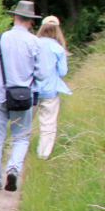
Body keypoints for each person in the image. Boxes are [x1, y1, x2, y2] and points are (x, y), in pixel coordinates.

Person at [0, 0, 44, 192]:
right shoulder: (36, 42)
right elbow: (41, 74)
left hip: (0, 96)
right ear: (31, 22)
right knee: (21, 137)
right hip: (23, 97)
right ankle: (14, 168)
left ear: (13, 17)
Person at [35, 15, 71, 159]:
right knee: (48, 124)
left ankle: (17, 152)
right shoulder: (59, 48)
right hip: (50, 92)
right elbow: (62, 72)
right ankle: (43, 154)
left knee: (24, 122)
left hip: (32, 90)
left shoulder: (34, 43)